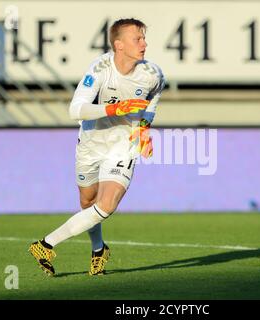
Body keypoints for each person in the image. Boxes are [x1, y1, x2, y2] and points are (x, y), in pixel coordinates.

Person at [28, 18, 165, 276]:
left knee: (106, 205)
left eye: (144, 38)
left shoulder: (153, 75)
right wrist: (114, 108)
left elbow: (152, 102)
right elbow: (75, 109)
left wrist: (144, 128)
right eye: (138, 39)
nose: (145, 44)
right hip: (91, 144)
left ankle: (46, 244)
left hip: (123, 147)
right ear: (119, 44)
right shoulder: (100, 69)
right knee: (87, 202)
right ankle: (99, 250)